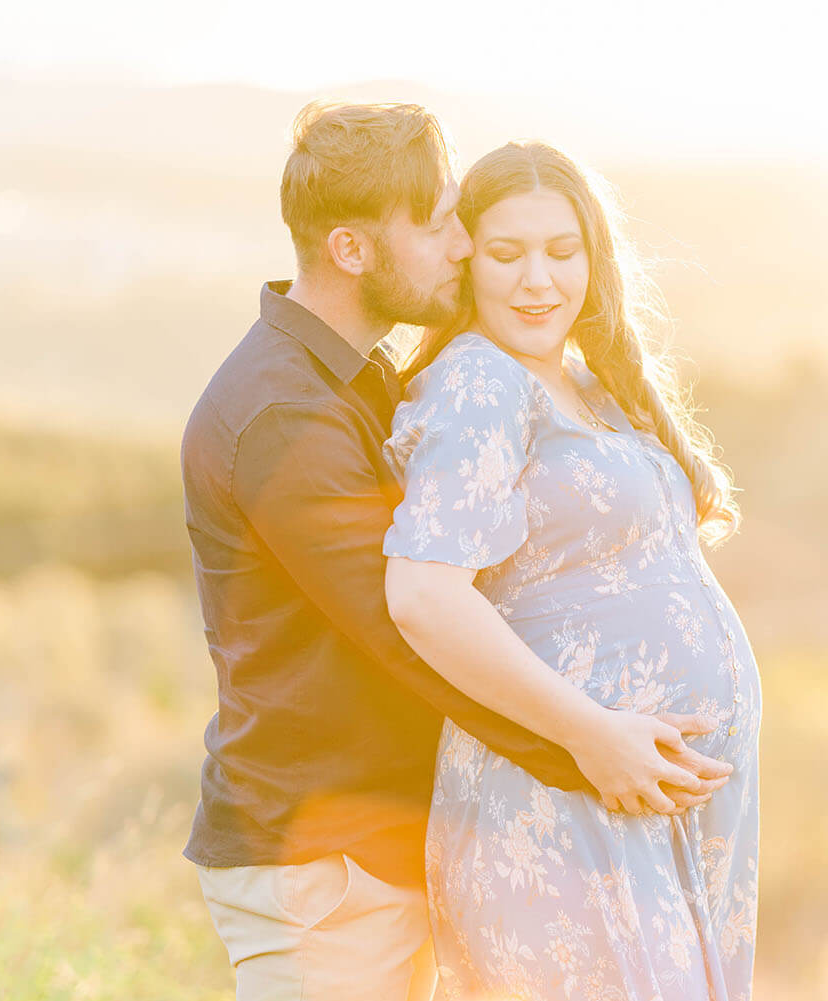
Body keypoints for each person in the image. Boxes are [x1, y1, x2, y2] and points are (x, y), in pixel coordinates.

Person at [180, 102, 732, 1001]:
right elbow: (407, 620)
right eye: (439, 224)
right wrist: (591, 752)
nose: (464, 246)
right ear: (353, 251)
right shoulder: (285, 413)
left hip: (365, 844)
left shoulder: (348, 378)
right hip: (323, 859)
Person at [382, 140, 761, 1000]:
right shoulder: (482, 379)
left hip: (649, 814)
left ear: (595, 256)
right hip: (566, 811)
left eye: (562, 252)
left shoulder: (588, 383)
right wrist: (593, 734)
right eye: (507, 254)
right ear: (467, 259)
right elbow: (424, 595)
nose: (537, 281)